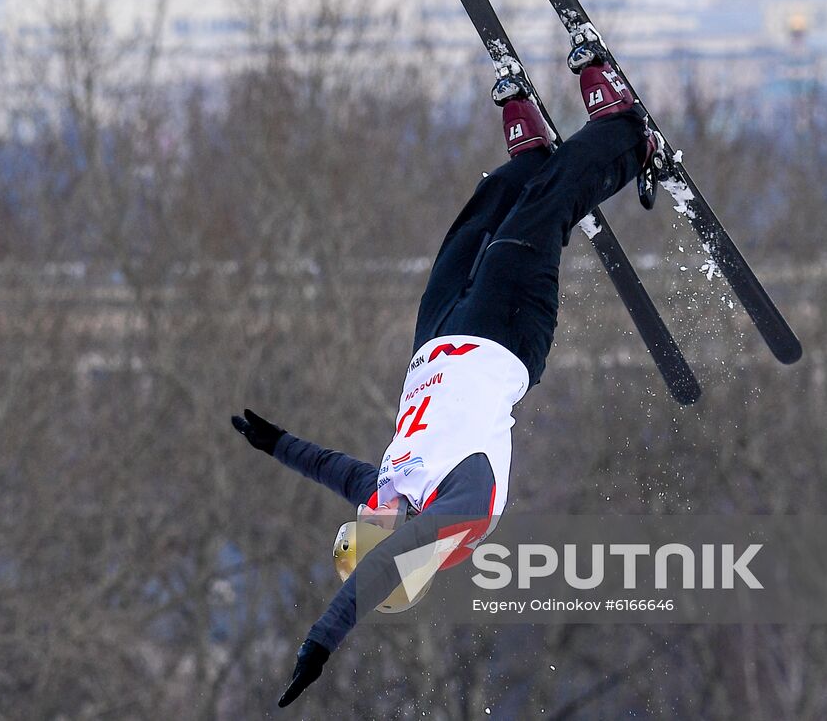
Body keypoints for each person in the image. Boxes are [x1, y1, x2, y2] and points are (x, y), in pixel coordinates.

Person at [231, 39, 664, 708]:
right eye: (382, 522)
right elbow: (375, 575)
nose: (377, 505)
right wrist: (320, 641)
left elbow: (334, 470)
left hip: (439, 337)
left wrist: (275, 443)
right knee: (538, 221)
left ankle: (530, 160)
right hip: (506, 334)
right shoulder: (461, 512)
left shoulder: (387, 490)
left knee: (468, 232)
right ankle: (628, 135)